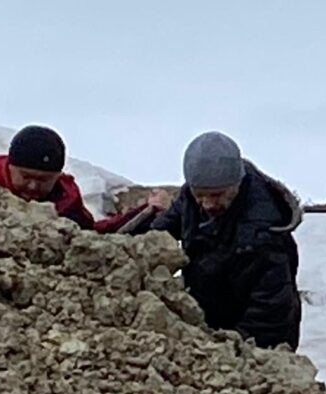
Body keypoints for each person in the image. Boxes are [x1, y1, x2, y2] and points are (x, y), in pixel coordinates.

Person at [119, 131, 304, 350]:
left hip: (257, 339)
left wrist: (228, 347)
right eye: (200, 195)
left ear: (237, 183)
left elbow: (271, 311)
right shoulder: (190, 198)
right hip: (209, 318)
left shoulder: (263, 234)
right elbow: (159, 235)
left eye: (216, 195)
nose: (206, 204)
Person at [0, 125, 97, 229]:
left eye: (43, 180)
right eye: (26, 176)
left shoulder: (69, 203)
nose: (33, 186)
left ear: (57, 176)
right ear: (9, 167)